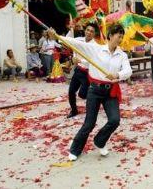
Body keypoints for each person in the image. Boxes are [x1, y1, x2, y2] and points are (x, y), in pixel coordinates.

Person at [54, 24, 132, 161]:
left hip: (110, 92)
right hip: (95, 90)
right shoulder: (96, 49)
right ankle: (75, 149)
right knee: (89, 123)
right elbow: (75, 43)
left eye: (122, 37)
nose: (120, 39)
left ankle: (99, 141)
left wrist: (117, 75)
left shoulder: (122, 55)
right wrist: (57, 36)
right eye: (118, 36)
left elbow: (128, 71)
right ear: (110, 35)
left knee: (115, 120)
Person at [66, 23, 96, 118]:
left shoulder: (94, 45)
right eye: (88, 30)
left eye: (91, 31)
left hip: (87, 72)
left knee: (83, 94)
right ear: (85, 30)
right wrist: (71, 30)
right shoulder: (79, 40)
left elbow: (93, 60)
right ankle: (74, 110)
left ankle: (95, 102)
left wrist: (80, 60)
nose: (89, 32)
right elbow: (67, 40)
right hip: (78, 70)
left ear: (94, 34)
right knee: (71, 91)